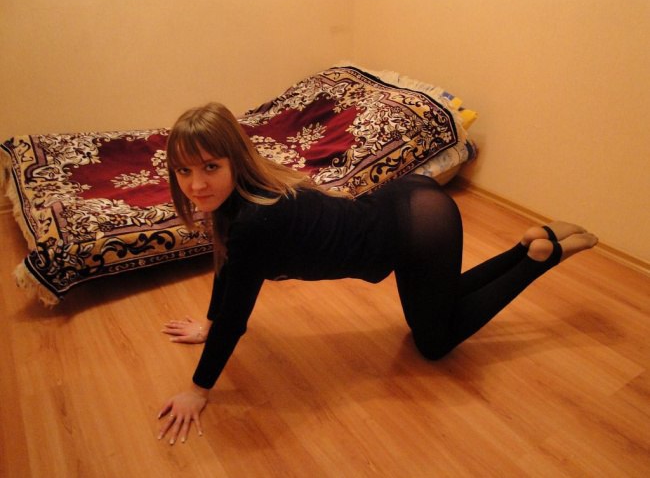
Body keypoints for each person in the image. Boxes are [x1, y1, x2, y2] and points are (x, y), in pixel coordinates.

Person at [156, 102, 598, 445]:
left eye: (210, 167)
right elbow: (228, 268)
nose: (196, 185)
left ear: (235, 160)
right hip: (404, 202)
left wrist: (198, 389)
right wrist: (209, 324)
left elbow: (236, 318)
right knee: (439, 304)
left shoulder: (255, 222)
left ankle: (539, 259)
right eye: (184, 171)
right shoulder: (240, 200)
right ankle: (528, 247)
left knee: (434, 342)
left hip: (417, 229)